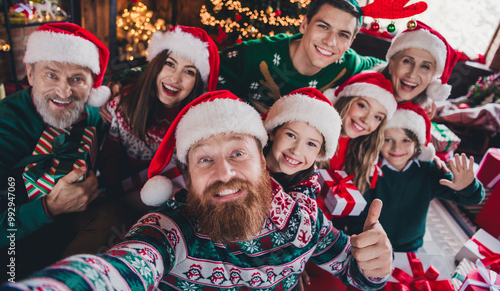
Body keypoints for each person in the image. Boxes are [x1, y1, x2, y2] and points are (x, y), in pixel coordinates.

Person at [2, 90, 394, 290]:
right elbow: (119, 269)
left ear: (262, 157)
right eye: (204, 159)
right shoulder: (171, 229)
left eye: (237, 153)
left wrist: (375, 266)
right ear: (187, 177)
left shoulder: (304, 218)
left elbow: (356, 272)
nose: (224, 172)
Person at [0, 23, 130, 279]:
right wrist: (49, 207)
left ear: (94, 83)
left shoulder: (95, 115)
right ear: (30, 73)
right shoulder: (7, 122)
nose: (63, 92)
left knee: (119, 216)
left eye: (77, 79)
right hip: (14, 245)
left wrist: (125, 91)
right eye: (51, 75)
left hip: (74, 230)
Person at [98, 26, 219, 207]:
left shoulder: (198, 122)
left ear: (198, 83)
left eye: (189, 72)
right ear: (156, 65)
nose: (175, 78)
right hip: (122, 197)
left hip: (172, 201)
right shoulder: (122, 104)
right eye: (169, 64)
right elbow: (109, 160)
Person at [216, 0, 386, 113]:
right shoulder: (253, 55)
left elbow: (387, 67)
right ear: (304, 25)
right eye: (323, 27)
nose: (330, 41)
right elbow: (206, 69)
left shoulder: (348, 64)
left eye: (343, 35)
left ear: (350, 42)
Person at [351, 102, 485, 252]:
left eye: (406, 140)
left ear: (418, 144)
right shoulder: (367, 170)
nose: (397, 148)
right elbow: (357, 215)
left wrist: (467, 186)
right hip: (372, 245)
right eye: (388, 140)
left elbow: (472, 199)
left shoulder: (430, 171)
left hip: (410, 247)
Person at [323, 71, 397, 198]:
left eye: (377, 117)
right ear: (346, 100)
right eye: (362, 106)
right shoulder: (313, 134)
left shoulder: (363, 153)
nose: (366, 120)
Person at [262, 87, 341, 193]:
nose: (296, 150)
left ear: (320, 153)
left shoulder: (308, 184)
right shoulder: (247, 152)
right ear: (273, 132)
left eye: (311, 144)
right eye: (291, 135)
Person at [380, 20, 460, 117]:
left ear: (432, 78)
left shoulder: (421, 116)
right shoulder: (363, 91)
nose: (412, 74)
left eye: (425, 67)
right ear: (391, 65)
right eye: (407, 61)